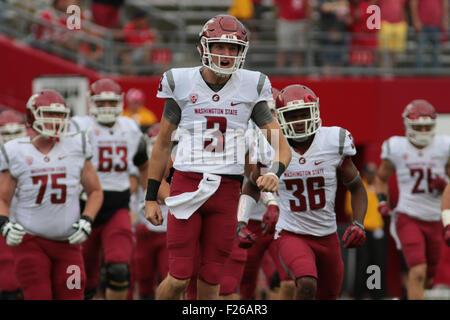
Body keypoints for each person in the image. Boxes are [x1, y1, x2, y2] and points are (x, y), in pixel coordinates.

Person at [144, 14, 292, 300]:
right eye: (220, 46)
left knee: (212, 280)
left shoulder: (252, 85)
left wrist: (275, 171)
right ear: (204, 47)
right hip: (187, 183)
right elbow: (162, 145)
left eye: (233, 48)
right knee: (178, 277)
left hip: (227, 191)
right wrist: (151, 197)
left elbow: (279, 143)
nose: (226, 54)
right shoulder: (181, 81)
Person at [0, 90, 103, 300]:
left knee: (73, 295)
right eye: (49, 114)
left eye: (59, 115)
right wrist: (4, 223)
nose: (55, 121)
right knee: (39, 295)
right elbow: (2, 198)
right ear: (32, 116)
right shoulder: (15, 150)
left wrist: (87, 219)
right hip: (31, 241)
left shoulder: (77, 145)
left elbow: (95, 191)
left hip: (69, 243)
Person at [272, 84, 367, 300]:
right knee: (306, 284)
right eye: (292, 116)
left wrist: (358, 222)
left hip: (327, 235)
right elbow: (250, 182)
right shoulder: (272, 145)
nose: (299, 121)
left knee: (329, 295)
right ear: (280, 118)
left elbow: (357, 187)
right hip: (291, 232)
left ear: (315, 110)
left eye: (304, 113)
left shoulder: (333, 141)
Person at [70, 78, 153, 300]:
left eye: (110, 102)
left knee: (119, 270)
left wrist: (148, 196)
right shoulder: (77, 127)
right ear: (91, 103)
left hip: (118, 205)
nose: (106, 108)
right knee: (81, 279)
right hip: (83, 205)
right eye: (101, 103)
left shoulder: (131, 128)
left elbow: (143, 165)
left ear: (119, 103)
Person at [375, 99, 450, 300]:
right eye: (419, 127)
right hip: (408, 216)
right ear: (408, 125)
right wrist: (382, 202)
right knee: (417, 271)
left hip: (435, 219)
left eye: (427, 127)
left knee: (428, 277)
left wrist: (445, 186)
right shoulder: (396, 147)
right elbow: (381, 178)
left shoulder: (444, 146)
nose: (423, 131)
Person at [345, 161, 387, 299]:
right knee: (362, 262)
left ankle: (376, 293)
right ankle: (360, 293)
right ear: (364, 173)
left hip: (377, 230)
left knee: (377, 263)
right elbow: (349, 209)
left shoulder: (380, 188)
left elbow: (385, 207)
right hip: (363, 229)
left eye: (374, 173)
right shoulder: (357, 187)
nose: (372, 176)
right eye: (370, 173)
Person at [0, 109, 27, 300]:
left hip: (28, 224)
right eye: (6, 134)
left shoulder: (33, 154)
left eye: (15, 133)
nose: (10, 139)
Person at [274, 0, 313, 68]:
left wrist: (307, 24)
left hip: (300, 23)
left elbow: (308, 7)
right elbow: (276, 6)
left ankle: (298, 76)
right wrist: (278, 21)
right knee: (282, 50)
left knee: (299, 51)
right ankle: (280, 75)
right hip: (285, 22)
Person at [410, 0, 449, 68]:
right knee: (420, 51)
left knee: (436, 52)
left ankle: (436, 74)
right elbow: (413, 3)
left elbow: (445, 3)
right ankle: (419, 74)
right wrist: (416, 20)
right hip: (422, 25)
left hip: (437, 25)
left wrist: (445, 20)